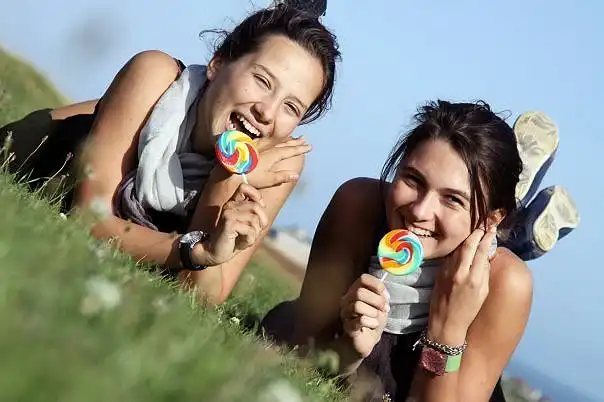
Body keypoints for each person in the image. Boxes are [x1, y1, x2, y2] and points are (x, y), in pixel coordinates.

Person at [0, 5, 341, 304]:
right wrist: (195, 250)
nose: (267, 111)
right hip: (40, 154)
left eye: (291, 107)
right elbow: (90, 216)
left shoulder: (278, 162)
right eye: (262, 81)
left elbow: (201, 295)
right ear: (218, 63)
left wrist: (223, 180)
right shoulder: (156, 74)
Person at [262, 100, 534, 402]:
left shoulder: (505, 282)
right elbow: (303, 355)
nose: (419, 211)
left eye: (452, 199)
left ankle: (516, 230)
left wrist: (447, 331)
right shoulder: (359, 206)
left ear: (489, 220)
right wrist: (350, 351)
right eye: (413, 180)